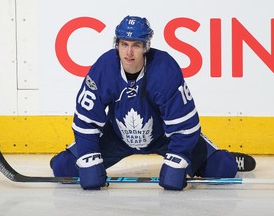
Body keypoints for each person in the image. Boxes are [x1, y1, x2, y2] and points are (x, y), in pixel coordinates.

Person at [50, 15, 256, 190]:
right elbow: (86, 121)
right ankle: (69, 155)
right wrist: (88, 159)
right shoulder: (104, 68)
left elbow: (186, 126)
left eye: (136, 45)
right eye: (124, 44)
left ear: (146, 46)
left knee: (222, 168)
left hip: (163, 136)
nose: (129, 53)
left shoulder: (164, 69)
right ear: (117, 45)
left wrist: (178, 159)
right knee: (63, 167)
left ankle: (228, 157)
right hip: (116, 136)